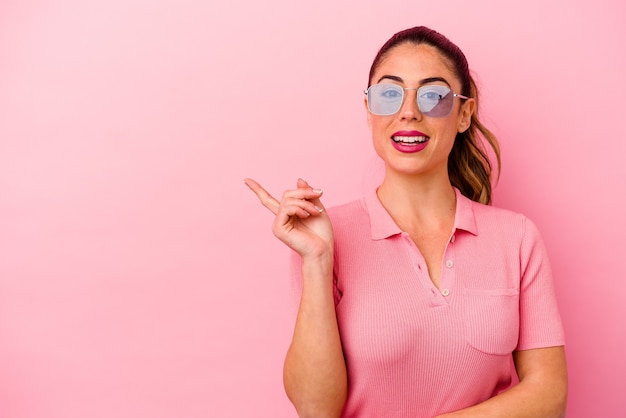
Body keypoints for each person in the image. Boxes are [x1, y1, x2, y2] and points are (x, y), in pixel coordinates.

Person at [244, 26, 567, 418]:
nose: (409, 112)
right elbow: (316, 409)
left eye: (433, 95)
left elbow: (549, 395)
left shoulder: (517, 238)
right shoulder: (324, 237)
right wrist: (316, 262)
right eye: (388, 94)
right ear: (368, 111)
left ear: (464, 113)